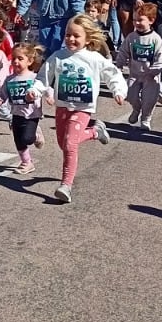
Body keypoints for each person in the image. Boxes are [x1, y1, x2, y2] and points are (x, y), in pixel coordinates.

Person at [41, 13, 126, 203]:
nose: (71, 39)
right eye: (68, 34)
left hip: (82, 108)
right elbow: (43, 77)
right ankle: (95, 132)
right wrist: (39, 90)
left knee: (70, 143)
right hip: (62, 106)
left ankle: (66, 186)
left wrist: (118, 90)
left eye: (76, 36)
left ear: (88, 38)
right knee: (64, 144)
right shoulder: (58, 56)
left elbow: (113, 74)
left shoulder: (94, 58)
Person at [116, 1, 162, 131]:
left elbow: (160, 57)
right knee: (130, 94)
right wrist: (119, 65)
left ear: (151, 20)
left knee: (149, 99)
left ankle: (146, 118)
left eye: (140, 20)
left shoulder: (156, 39)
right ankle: (136, 109)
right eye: (134, 20)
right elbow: (123, 51)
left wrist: (156, 69)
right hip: (135, 74)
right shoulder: (131, 37)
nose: (136, 23)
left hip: (151, 76)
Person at [3, 43, 49, 169]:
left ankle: (36, 134)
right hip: (16, 113)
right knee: (18, 140)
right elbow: (3, 92)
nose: (16, 61)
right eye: (14, 59)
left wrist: (49, 96)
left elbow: (45, 87)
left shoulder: (34, 78)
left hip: (31, 114)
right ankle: (26, 162)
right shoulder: (9, 79)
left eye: (20, 58)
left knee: (27, 139)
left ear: (30, 61)